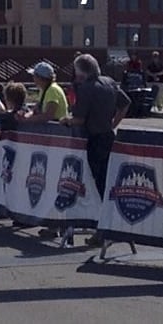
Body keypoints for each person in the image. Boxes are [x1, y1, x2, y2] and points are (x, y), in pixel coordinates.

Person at [60, 54, 130, 247]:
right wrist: (113, 123)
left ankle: (101, 229)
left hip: (93, 140)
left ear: (81, 71)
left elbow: (80, 119)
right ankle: (107, 228)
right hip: (108, 137)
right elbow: (125, 105)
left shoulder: (86, 89)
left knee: (94, 185)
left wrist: (66, 120)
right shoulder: (109, 83)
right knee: (106, 183)